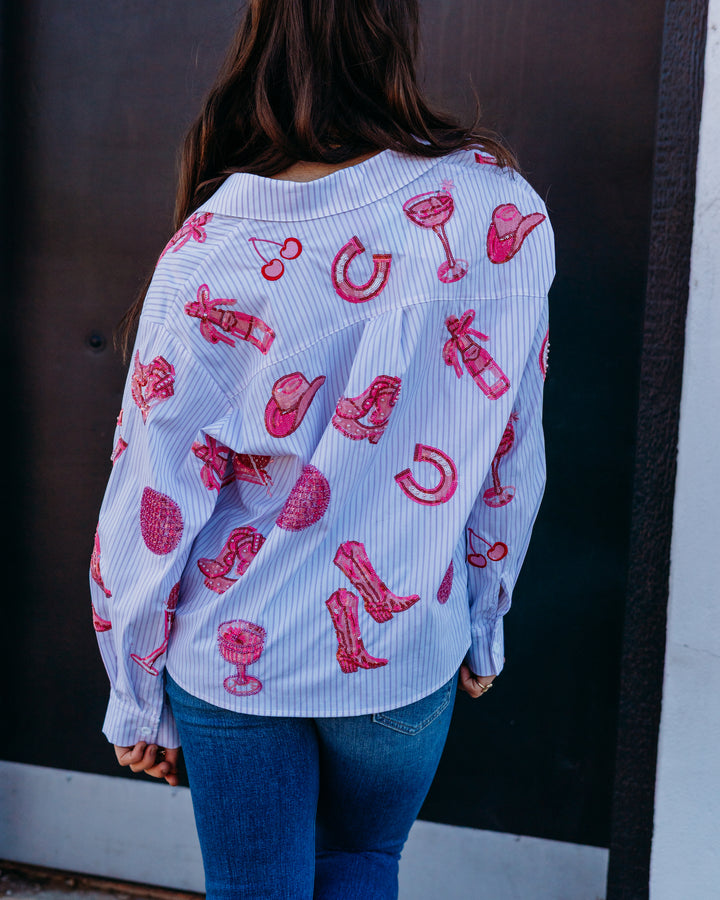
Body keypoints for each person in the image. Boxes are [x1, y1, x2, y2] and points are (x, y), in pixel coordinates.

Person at [90, 1, 555, 897]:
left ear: (262, 39)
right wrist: (485, 620)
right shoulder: (502, 209)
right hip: (405, 644)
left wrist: (135, 687)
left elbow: (153, 493)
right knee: (363, 864)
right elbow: (509, 450)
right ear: (395, 32)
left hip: (234, 653)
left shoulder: (212, 248)